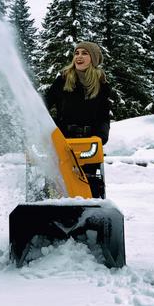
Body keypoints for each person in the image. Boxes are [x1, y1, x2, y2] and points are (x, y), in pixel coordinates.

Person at [43, 40, 115, 198]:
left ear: (93, 59)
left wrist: (100, 137)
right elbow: (44, 105)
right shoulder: (62, 80)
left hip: (88, 144)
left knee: (87, 184)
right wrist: (46, 128)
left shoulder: (102, 85)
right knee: (57, 183)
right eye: (76, 53)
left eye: (84, 53)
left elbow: (104, 116)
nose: (79, 57)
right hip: (63, 141)